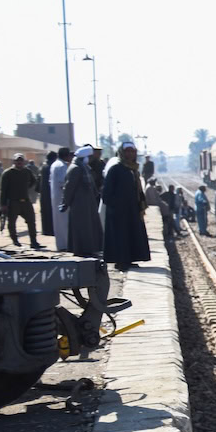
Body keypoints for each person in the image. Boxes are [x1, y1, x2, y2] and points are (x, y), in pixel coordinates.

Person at [60, 148, 109, 346]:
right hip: (80, 204)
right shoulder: (75, 169)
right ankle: (81, 249)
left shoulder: (83, 167)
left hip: (87, 203)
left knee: (89, 228)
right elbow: (69, 188)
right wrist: (65, 203)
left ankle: (87, 248)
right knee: (81, 228)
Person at [102, 144, 152, 271]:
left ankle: (129, 259)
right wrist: (116, 206)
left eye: (132, 151)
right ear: (122, 153)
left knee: (132, 235)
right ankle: (120, 261)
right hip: (119, 211)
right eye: (127, 152)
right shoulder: (115, 169)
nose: (130, 154)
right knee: (120, 236)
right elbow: (106, 193)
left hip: (132, 210)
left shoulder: (133, 169)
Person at [0, 156, 41, 248]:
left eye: (21, 161)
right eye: (17, 161)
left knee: (31, 221)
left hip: (25, 201)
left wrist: (27, 188)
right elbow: (3, 190)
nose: (19, 162)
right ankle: (15, 241)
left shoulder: (27, 171)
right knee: (12, 223)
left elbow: (33, 181)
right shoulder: (7, 173)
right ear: (14, 161)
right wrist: (3, 204)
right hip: (13, 202)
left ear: (24, 162)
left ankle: (33, 242)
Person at [49, 149, 71, 251]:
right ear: (66, 156)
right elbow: (63, 183)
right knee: (64, 222)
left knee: (58, 223)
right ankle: (66, 245)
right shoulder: (62, 166)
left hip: (55, 197)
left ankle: (61, 245)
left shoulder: (55, 164)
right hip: (61, 198)